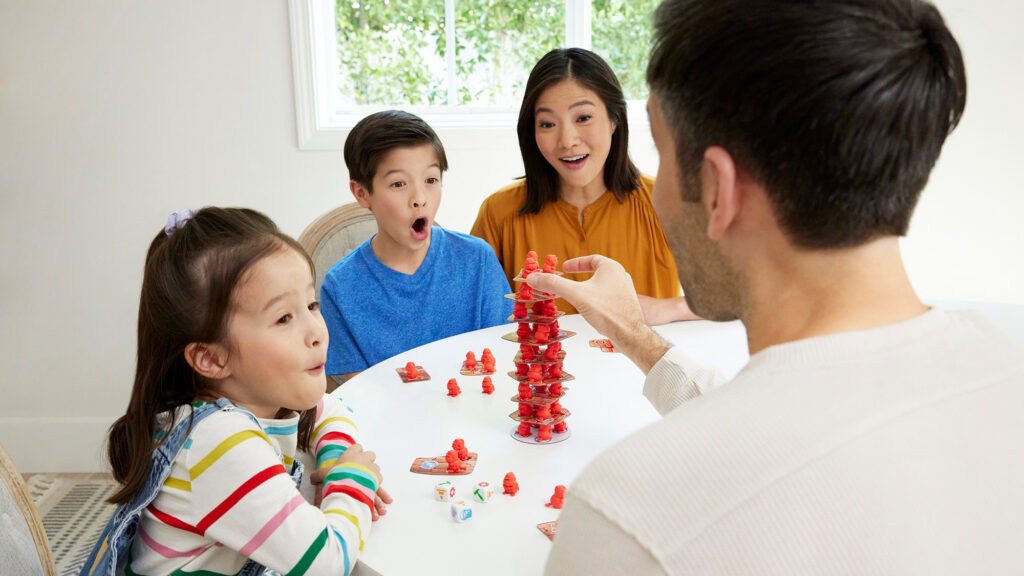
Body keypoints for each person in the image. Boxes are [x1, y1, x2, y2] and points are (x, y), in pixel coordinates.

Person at [528, 0, 1024, 573]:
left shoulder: (627, 517)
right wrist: (634, 334)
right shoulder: (1001, 369)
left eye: (662, 154)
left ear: (718, 189)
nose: (656, 193)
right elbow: (787, 427)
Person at [82, 207, 389, 576]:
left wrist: (335, 459)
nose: (317, 331)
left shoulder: (259, 396)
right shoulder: (219, 442)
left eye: (311, 305)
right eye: (284, 318)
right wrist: (352, 478)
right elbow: (327, 562)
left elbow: (330, 409)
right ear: (211, 358)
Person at [471, 48, 697, 323]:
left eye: (583, 118)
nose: (567, 140)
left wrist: (665, 309)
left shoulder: (664, 201)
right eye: (547, 123)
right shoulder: (498, 212)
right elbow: (469, 314)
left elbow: (739, 294)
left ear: (614, 119)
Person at [322, 110, 512, 379]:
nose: (419, 198)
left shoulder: (478, 260)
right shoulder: (340, 287)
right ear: (362, 193)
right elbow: (359, 398)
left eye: (431, 180)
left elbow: (504, 361)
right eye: (398, 184)